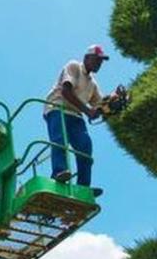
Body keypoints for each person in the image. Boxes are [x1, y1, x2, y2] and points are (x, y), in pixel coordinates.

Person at [43, 45, 110, 196]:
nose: (99, 63)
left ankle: (83, 186)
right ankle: (59, 172)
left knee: (85, 146)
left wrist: (112, 104)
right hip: (57, 107)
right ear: (87, 58)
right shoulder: (74, 67)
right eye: (97, 60)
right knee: (59, 140)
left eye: (101, 61)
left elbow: (100, 103)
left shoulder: (92, 83)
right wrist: (88, 111)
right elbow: (66, 91)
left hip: (75, 115)